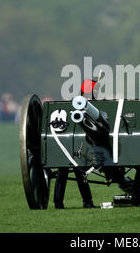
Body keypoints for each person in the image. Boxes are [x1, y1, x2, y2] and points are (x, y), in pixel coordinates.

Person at [53, 79, 97, 209]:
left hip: (79, 143)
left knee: (77, 173)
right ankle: (60, 203)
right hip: (71, 142)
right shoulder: (78, 103)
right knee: (64, 172)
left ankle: (86, 201)